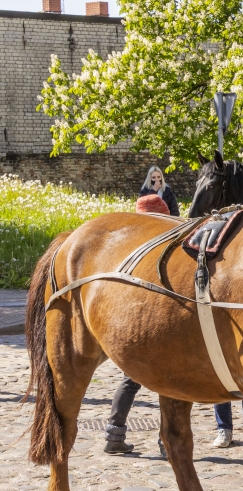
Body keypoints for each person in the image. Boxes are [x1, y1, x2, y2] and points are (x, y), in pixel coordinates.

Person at [104, 194, 172, 456]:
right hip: (159, 321)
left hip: (133, 321)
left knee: (130, 379)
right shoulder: (162, 245)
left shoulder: (132, 246)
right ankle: (167, 442)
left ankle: (114, 435)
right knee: (170, 380)